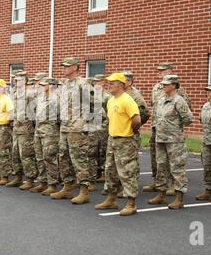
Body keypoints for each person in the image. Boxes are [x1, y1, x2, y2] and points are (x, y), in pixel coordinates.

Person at [94, 73, 141, 216]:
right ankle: (111, 199)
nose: (109, 85)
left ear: (120, 85)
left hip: (125, 141)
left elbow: (137, 120)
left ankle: (131, 204)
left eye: (112, 83)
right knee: (110, 171)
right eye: (108, 83)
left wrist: (129, 131)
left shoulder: (127, 100)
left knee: (127, 172)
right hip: (112, 139)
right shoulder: (111, 100)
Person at [51, 58, 93, 205]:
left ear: (75, 67)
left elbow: (94, 103)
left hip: (77, 128)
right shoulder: (64, 84)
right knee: (63, 157)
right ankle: (67, 187)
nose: (63, 68)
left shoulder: (83, 84)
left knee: (79, 158)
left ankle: (84, 190)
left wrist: (84, 121)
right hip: (65, 126)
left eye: (67, 66)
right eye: (63, 66)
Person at [148, 75, 193, 210]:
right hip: (160, 138)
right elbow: (156, 116)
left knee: (177, 168)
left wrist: (175, 128)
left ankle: (179, 198)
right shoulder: (161, 100)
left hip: (174, 140)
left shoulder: (179, 101)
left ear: (174, 85)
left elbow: (188, 119)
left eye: (167, 84)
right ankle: (161, 194)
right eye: (163, 84)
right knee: (161, 166)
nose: (164, 86)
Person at [7, 71, 39, 191]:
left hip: (26, 128)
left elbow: (35, 110)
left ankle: (30, 179)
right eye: (15, 80)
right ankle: (18, 177)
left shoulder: (30, 93)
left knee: (26, 155)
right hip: (16, 127)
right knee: (15, 154)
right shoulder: (15, 93)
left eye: (18, 79)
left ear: (24, 81)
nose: (15, 81)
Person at [34, 77, 61, 196]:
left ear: (51, 86)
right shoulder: (41, 98)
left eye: (44, 85)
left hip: (50, 132)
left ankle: (52, 184)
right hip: (39, 130)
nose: (41, 87)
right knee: (39, 157)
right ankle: (43, 182)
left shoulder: (57, 100)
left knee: (49, 157)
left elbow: (61, 117)